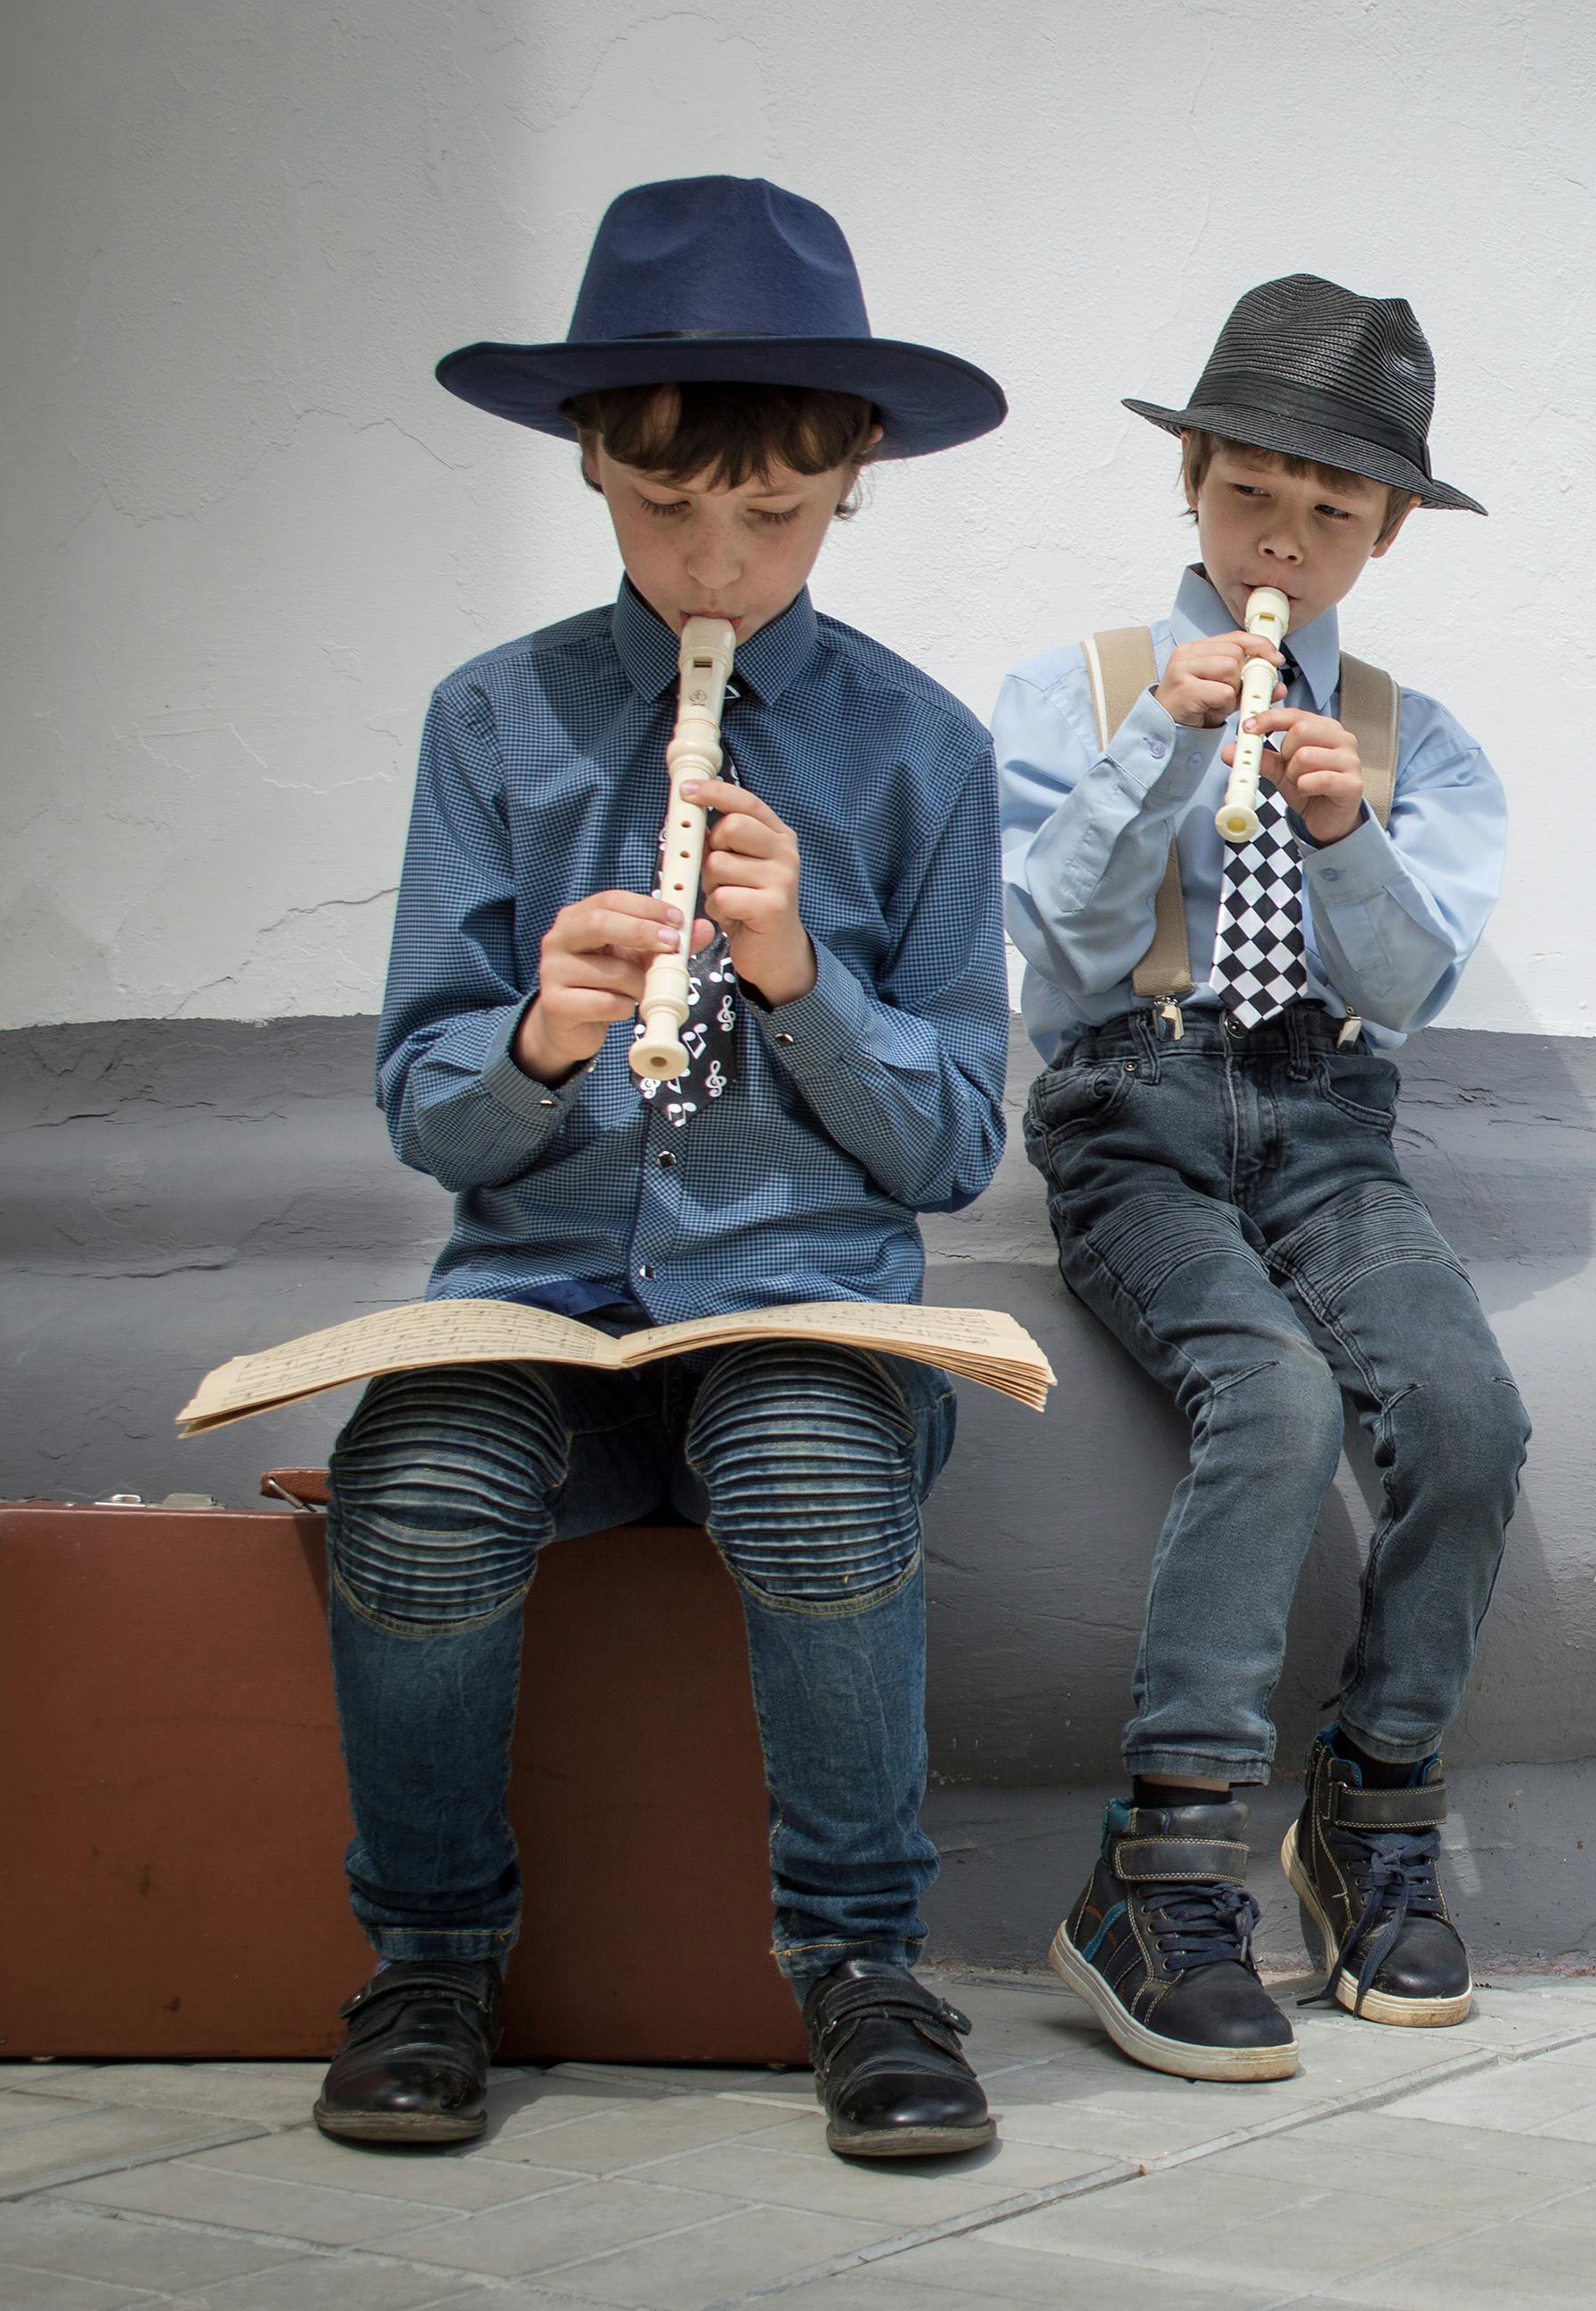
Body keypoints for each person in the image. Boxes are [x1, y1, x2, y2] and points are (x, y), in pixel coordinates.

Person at [312, 176, 1012, 2160]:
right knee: (418, 1477)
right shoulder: (495, 720)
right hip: (541, 1302)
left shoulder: (918, 754)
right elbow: (424, 1106)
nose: (713, 562)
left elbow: (954, 1141)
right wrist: (536, 1031)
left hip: (805, 1318)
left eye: (772, 518)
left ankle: (865, 1962)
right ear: (590, 461)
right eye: (659, 506)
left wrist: (806, 986)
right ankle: (432, 1958)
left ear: (852, 475)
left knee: (801, 1452)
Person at [997, 275, 1526, 2082]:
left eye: (1328, 510)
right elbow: (1055, 962)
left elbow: (1400, 987)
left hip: (1324, 1115)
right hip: (1134, 1111)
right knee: (1276, 1392)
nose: (1278, 538)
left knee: (1464, 1412)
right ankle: (1162, 1859)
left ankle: (1374, 1809)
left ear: (1380, 536)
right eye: (1248, 497)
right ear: (1194, 486)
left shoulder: (1407, 736)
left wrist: (1337, 822)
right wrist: (1164, 738)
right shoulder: (1073, 692)